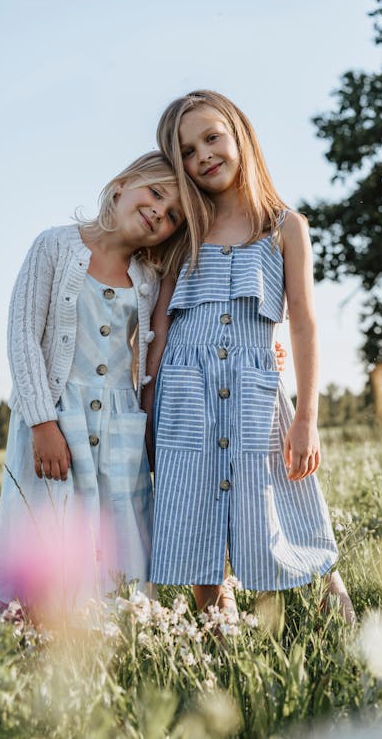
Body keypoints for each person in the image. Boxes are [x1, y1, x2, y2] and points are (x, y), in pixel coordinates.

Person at [143, 90, 355, 623]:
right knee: (194, 508)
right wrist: (147, 408)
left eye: (212, 137)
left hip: (257, 388)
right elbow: (160, 326)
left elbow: (303, 323)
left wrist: (307, 416)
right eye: (187, 151)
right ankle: (219, 631)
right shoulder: (182, 233)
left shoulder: (286, 226)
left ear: (240, 135)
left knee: (286, 501)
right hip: (185, 392)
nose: (203, 156)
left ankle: (339, 615)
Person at [0, 152, 187, 611]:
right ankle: (41, 632)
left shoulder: (148, 276)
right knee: (50, 525)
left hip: (119, 425)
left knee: (119, 533)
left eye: (173, 215)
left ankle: (121, 628)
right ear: (121, 185)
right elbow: (22, 334)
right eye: (156, 193)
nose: (160, 211)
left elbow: (157, 344)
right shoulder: (56, 246)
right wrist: (42, 422)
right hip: (57, 420)